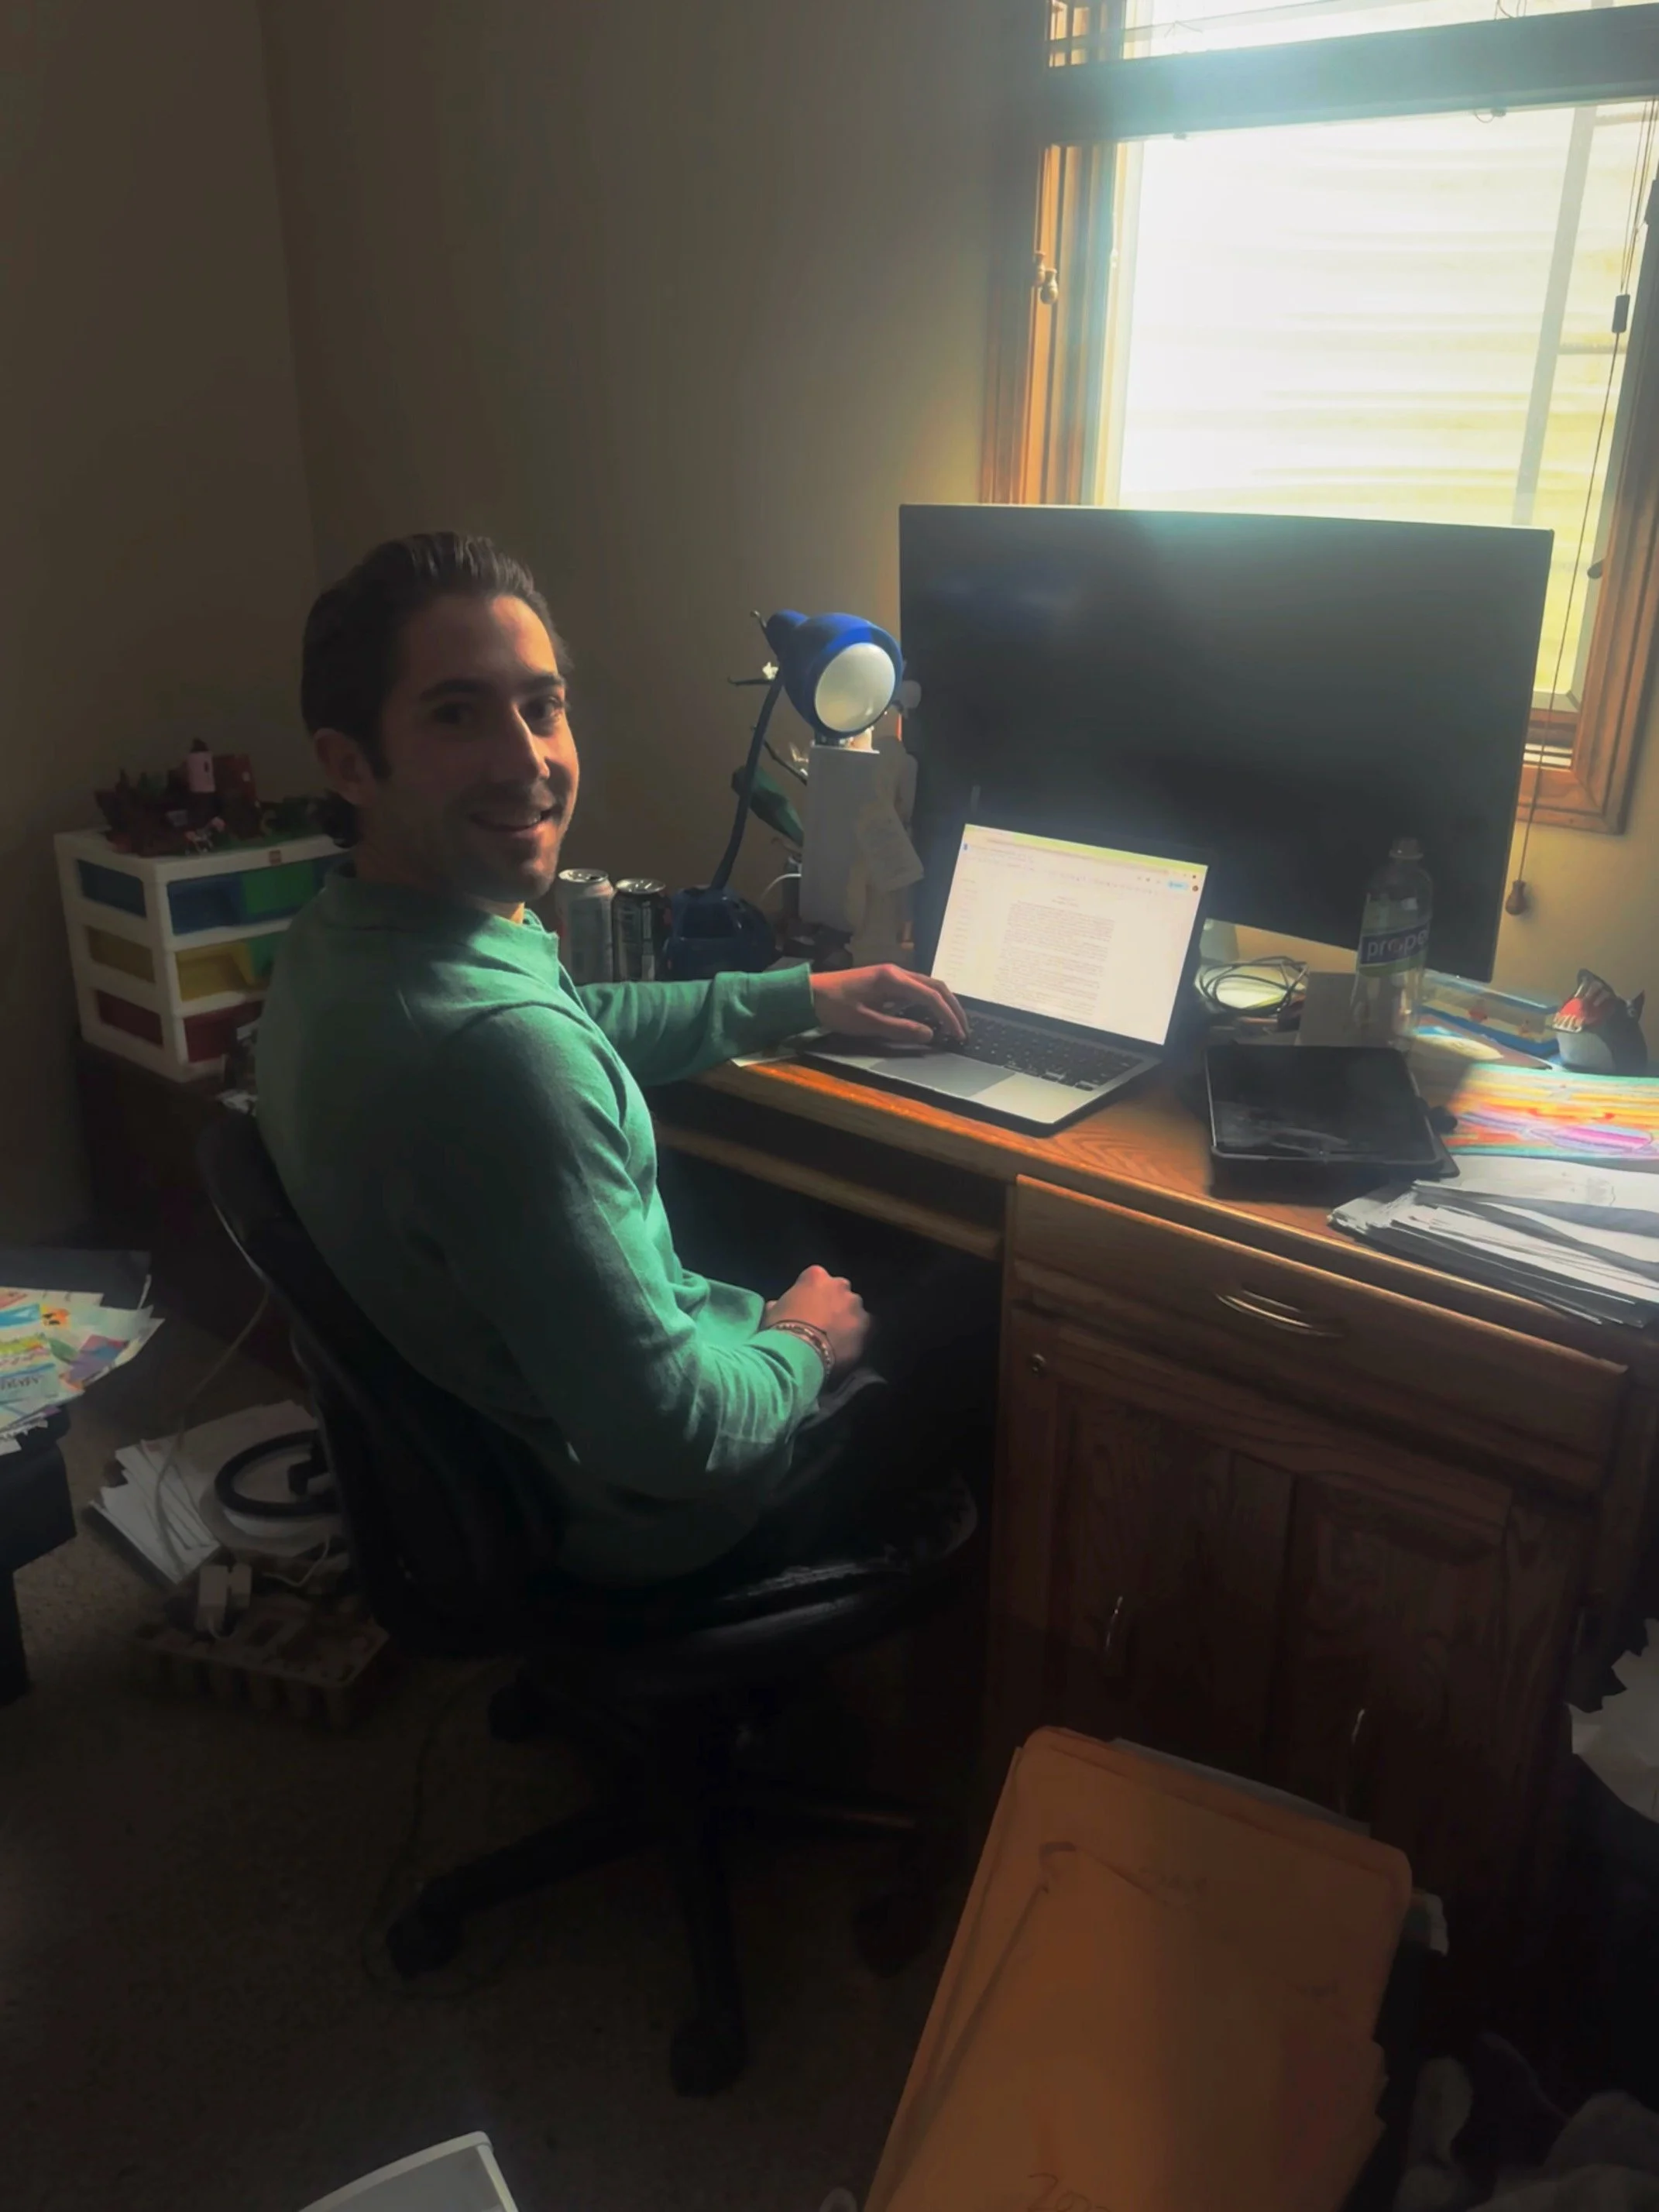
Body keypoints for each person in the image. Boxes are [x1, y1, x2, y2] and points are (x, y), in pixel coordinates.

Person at [257, 532, 991, 1589]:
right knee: (984, 1296)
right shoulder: (498, 1060)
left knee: (799, 1224)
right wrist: (803, 1343)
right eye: (456, 714)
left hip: (516, 1452)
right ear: (348, 762)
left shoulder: (348, 945)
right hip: (659, 1512)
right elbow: (680, 1439)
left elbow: (571, 1013)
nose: (527, 762)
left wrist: (801, 995)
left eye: (542, 706)